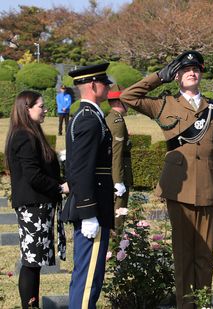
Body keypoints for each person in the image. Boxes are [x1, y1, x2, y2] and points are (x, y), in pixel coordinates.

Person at [120, 50, 213, 309]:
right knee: (183, 255)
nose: (192, 72)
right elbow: (128, 97)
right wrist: (159, 76)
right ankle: (185, 306)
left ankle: (203, 304)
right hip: (179, 190)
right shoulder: (165, 103)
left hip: (210, 188)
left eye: (196, 69)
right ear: (177, 75)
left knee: (205, 255)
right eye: (185, 69)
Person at [4, 91, 69, 309]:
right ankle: (29, 306)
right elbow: (33, 176)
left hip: (38, 205)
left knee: (35, 262)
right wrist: (60, 186)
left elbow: (42, 170)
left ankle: (31, 305)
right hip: (34, 206)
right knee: (32, 262)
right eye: (41, 106)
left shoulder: (30, 133)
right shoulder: (24, 135)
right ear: (27, 108)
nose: (46, 110)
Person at [61, 63, 114, 308]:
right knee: (88, 279)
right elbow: (80, 170)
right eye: (105, 82)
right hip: (92, 209)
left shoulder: (87, 117)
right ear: (93, 86)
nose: (109, 86)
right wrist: (89, 212)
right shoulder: (89, 120)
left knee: (88, 275)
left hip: (93, 205)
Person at [105, 85, 132, 226]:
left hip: (112, 173)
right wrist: (118, 180)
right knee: (118, 217)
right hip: (118, 174)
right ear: (118, 102)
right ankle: (114, 247)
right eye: (125, 100)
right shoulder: (118, 122)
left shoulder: (111, 118)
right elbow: (117, 154)